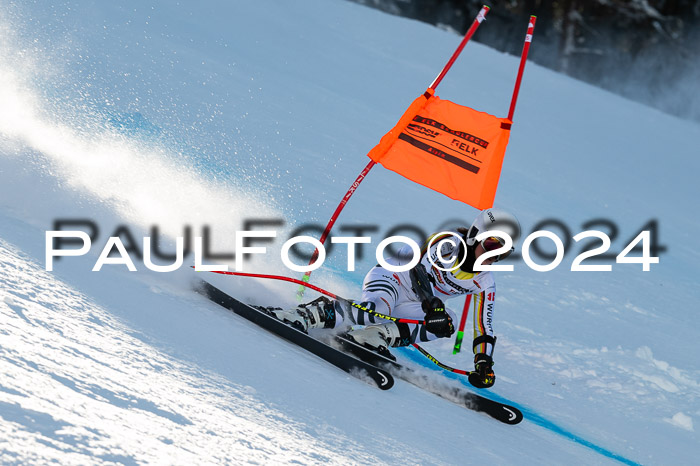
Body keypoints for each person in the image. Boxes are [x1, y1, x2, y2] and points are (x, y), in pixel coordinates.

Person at [272, 207, 520, 389]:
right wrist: (432, 305)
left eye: (503, 252)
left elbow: (483, 326)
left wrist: (484, 361)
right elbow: (418, 269)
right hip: (392, 279)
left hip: (416, 304)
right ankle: (306, 314)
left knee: (447, 323)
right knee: (376, 307)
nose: (493, 256)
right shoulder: (448, 243)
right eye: (491, 244)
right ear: (475, 234)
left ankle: (372, 337)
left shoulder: (485, 281)